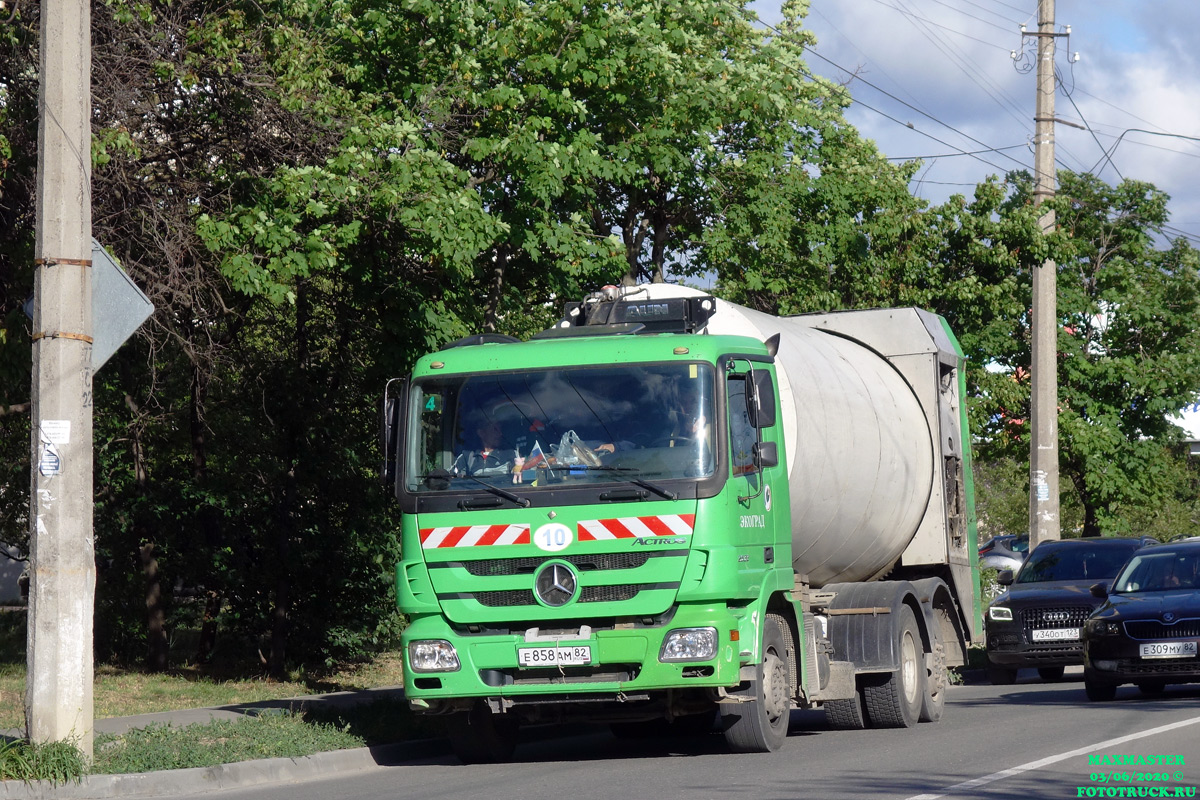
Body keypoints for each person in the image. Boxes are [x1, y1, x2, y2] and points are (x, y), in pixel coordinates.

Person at [451, 417, 516, 477]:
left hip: (503, 489)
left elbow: (522, 470)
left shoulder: (510, 454)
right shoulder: (468, 456)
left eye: (500, 429)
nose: (500, 434)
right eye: (495, 429)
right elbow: (450, 475)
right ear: (481, 433)